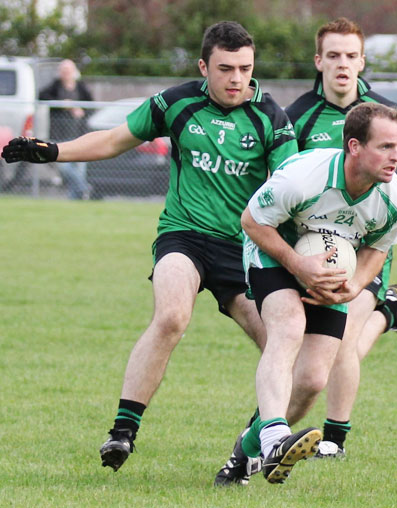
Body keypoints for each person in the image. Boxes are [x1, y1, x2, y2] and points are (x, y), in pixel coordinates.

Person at [1, 21, 300, 472]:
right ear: (204, 67)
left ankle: (251, 447)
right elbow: (113, 139)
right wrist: (52, 151)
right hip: (184, 236)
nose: (237, 78)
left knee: (281, 346)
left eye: (245, 68)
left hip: (243, 248)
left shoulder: (272, 119)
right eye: (225, 68)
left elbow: (292, 189)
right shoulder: (177, 103)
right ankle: (122, 432)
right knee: (172, 315)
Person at [214, 18, 397, 487]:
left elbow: (378, 246)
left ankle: (244, 453)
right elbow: (251, 222)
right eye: (385, 148)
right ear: (354, 147)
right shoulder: (305, 174)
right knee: (287, 327)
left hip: (333, 268)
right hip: (276, 252)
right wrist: (299, 266)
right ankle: (274, 435)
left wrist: (352, 286)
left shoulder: (393, 197)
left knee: (313, 379)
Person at [284, 17, 397, 458]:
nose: (343, 65)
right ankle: (389, 313)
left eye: (351, 56)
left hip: (366, 248)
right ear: (319, 61)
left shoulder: (384, 115)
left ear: (362, 60)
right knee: (320, 347)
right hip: (312, 246)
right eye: (333, 56)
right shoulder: (297, 118)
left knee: (341, 338)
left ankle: (335, 438)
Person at [39, 59, 93, 199]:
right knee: (64, 167)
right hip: (60, 135)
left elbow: (91, 106)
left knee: (80, 168)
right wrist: (63, 104)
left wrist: (80, 110)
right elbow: (42, 96)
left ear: (74, 72)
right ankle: (84, 187)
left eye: (69, 70)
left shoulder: (81, 87)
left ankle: (76, 200)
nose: (66, 73)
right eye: (63, 71)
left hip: (79, 135)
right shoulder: (55, 87)